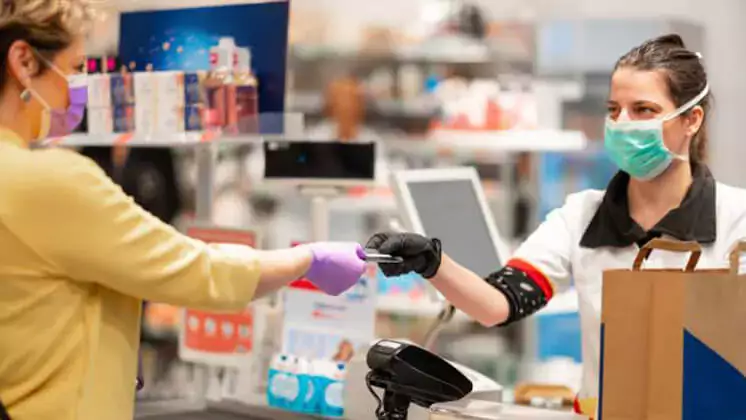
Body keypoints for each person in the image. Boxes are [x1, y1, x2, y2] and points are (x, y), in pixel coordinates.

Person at [0, 1, 366, 419]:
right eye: (77, 67)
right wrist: (307, 259)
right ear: (24, 62)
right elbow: (196, 270)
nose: (83, 87)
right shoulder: (49, 181)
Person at [366, 34, 746, 418]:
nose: (623, 123)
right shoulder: (581, 217)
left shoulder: (736, 219)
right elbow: (498, 304)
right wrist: (431, 262)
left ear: (691, 120)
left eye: (643, 109)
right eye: (614, 109)